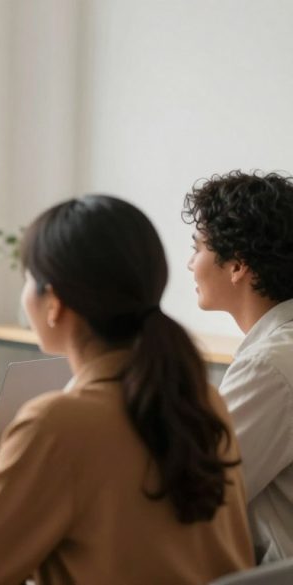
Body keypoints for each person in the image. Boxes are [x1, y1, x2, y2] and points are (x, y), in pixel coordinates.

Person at [0, 195, 253, 584]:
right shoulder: (203, 399)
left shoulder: (57, 423)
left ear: (55, 302)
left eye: (28, 278)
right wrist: (16, 505)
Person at [184, 171, 293, 563]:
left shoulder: (269, 367)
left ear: (237, 267)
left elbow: (198, 493)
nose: (189, 263)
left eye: (197, 248)